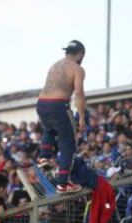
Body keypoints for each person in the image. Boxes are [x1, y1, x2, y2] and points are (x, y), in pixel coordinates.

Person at [36, 40, 86, 194]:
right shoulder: (77, 69)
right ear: (80, 54)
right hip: (58, 106)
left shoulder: (54, 66)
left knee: (49, 129)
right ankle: (62, 185)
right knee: (68, 143)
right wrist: (82, 116)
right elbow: (79, 93)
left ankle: (44, 158)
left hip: (41, 104)